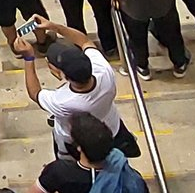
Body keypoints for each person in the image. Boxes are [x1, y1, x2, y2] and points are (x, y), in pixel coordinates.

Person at [18, 15, 132, 159]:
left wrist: (28, 58)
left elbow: (35, 93)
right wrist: (55, 26)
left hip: (76, 144)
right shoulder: (104, 71)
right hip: (111, 127)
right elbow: (85, 41)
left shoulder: (63, 102)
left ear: (63, 76)